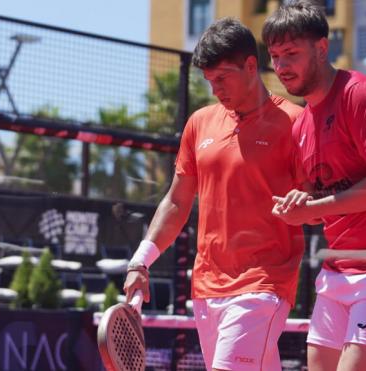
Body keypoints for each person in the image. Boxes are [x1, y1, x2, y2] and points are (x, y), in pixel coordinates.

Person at [123, 17, 306, 371]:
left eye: (222, 78)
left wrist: (306, 205)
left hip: (263, 284)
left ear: (251, 66)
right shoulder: (200, 123)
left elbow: (316, 203)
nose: (215, 90)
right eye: (209, 81)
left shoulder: (296, 124)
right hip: (207, 288)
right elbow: (177, 202)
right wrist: (140, 261)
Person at [262, 2, 366, 371]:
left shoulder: (362, 95)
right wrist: (298, 207)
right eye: (275, 56)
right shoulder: (301, 125)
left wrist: (313, 209)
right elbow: (318, 200)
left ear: (322, 48)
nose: (281, 67)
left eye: (291, 54)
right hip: (339, 272)